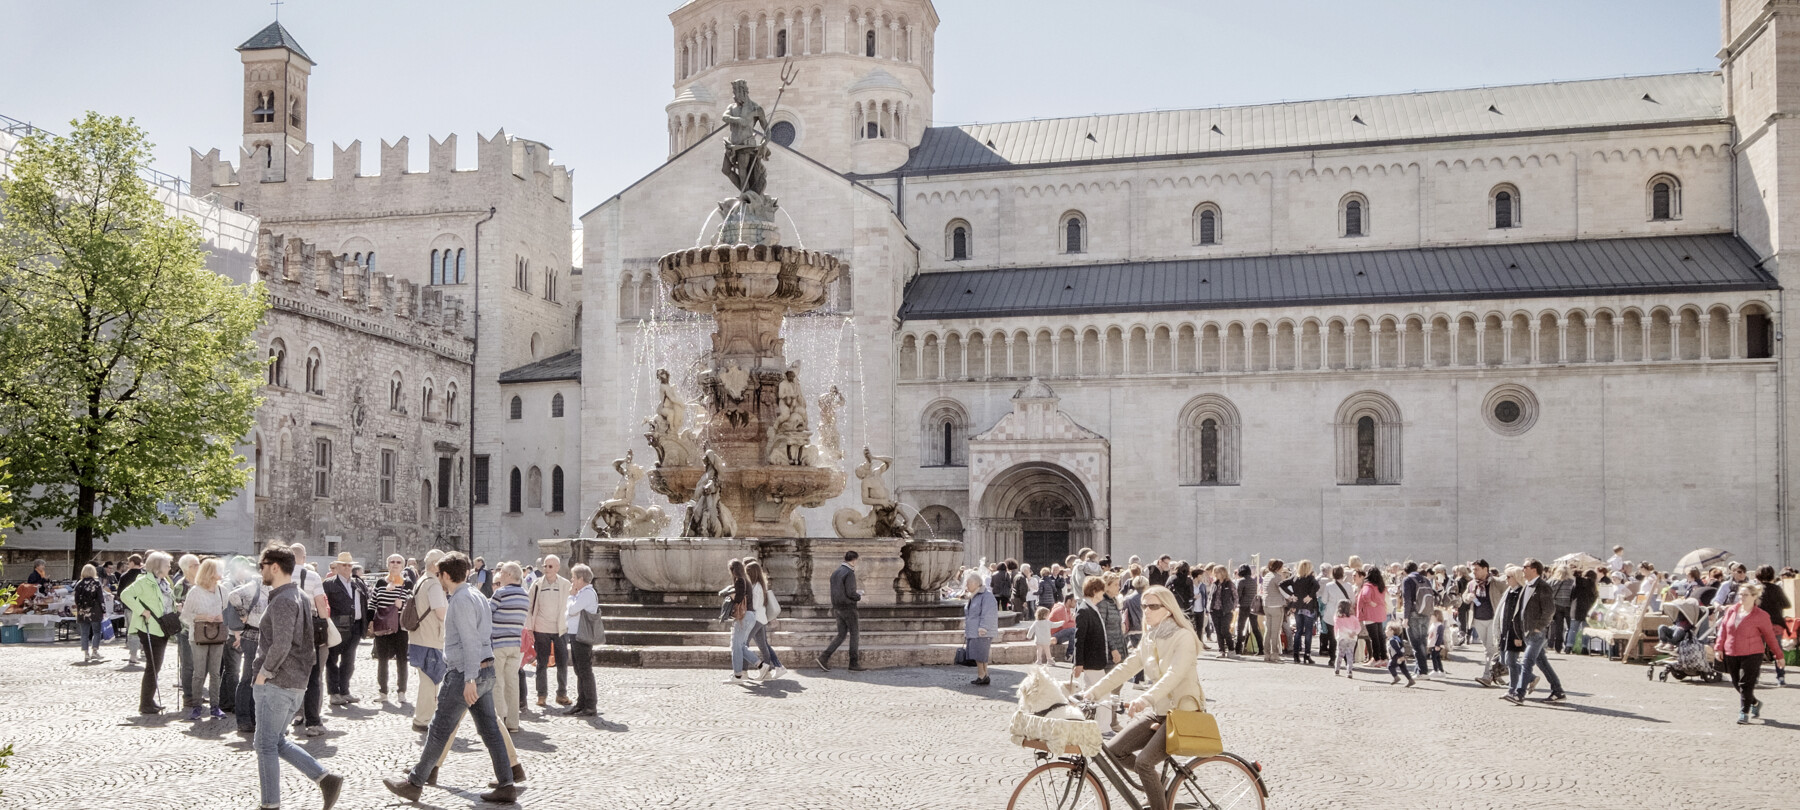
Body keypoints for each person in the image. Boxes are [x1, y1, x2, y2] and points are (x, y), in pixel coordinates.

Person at [382, 552, 518, 804]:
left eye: (440, 575)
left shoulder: (461, 600)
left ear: (445, 575)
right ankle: (507, 784)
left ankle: (414, 783)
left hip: (466, 673)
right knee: (490, 729)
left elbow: (469, 640)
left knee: (439, 728)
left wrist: (469, 678)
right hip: (484, 669)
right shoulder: (477, 595)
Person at [1075, 586, 1203, 810]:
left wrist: (1145, 699)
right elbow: (1125, 669)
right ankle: (1157, 788)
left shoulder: (1183, 637)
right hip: (1161, 711)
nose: (1147, 611)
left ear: (1169, 609)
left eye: (1153, 606)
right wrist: (1091, 692)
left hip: (1183, 711)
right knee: (1114, 751)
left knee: (1144, 763)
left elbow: (1175, 674)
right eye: (1144, 606)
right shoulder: (1150, 638)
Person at [250, 544, 344, 810]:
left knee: (266, 745)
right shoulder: (300, 595)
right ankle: (326, 778)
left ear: (275, 567)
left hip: (277, 683)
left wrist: (263, 675)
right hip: (293, 683)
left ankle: (270, 804)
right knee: (274, 741)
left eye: (262, 566)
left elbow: (281, 644)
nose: (261, 571)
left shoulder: (283, 600)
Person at [1715, 583, 1784, 724]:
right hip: (1731, 651)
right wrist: (1718, 648)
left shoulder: (1762, 615)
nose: (1742, 597)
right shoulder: (1731, 611)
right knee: (1736, 683)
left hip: (1753, 653)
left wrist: (1779, 655)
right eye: (1740, 594)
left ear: (1754, 597)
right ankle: (1755, 703)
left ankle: (1744, 712)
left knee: (1746, 683)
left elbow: (1770, 637)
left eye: (1745, 595)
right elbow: (1723, 630)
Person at [1502, 560, 1566, 705]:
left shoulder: (1543, 587)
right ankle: (1558, 691)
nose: (1522, 569)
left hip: (1536, 632)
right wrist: (1519, 632)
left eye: (1525, 567)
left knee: (1527, 661)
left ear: (1534, 569)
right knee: (1542, 663)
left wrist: (1539, 626)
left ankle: (1519, 694)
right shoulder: (1526, 586)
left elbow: (1549, 610)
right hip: (1526, 632)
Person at [122, 551, 176, 715]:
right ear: (158, 567)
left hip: (162, 628)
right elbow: (125, 595)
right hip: (150, 628)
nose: (170, 567)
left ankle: (149, 700)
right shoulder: (144, 581)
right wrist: (141, 610)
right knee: (153, 666)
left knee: (155, 666)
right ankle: (145, 703)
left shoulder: (165, 581)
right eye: (167, 565)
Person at [287, 544, 330, 736]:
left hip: (285, 627)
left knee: (287, 675)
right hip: (308, 628)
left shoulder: (279, 574)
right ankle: (313, 721)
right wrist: (324, 626)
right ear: (303, 558)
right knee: (313, 676)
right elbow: (321, 603)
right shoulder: (312, 576)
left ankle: (287, 718)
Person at [180, 558, 229, 720]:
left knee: (215, 673)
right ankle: (196, 706)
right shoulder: (195, 592)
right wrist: (202, 617)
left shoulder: (223, 591)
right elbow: (185, 616)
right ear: (210, 573)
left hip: (217, 635)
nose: (221, 572)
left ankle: (215, 706)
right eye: (218, 570)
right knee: (199, 672)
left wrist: (220, 617)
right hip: (199, 636)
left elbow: (227, 611)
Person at [409, 549, 450, 730]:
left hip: (420, 637)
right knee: (430, 682)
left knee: (428, 680)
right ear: (435, 566)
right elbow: (441, 613)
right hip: (430, 638)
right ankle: (423, 719)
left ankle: (424, 717)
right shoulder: (433, 584)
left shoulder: (421, 581)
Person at [227, 565, 268, 737]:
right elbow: (233, 595)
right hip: (252, 636)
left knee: (261, 679)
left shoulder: (274, 587)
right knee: (247, 678)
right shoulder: (255, 585)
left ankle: (256, 717)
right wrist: (243, 614)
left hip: (266, 637)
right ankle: (243, 719)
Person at [526, 554, 572, 708]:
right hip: (541, 628)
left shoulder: (565, 584)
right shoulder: (537, 584)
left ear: (557, 568)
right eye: (545, 566)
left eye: (550, 566)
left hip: (560, 629)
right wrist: (530, 628)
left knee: (562, 663)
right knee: (541, 663)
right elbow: (529, 606)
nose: (546, 569)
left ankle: (562, 694)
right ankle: (541, 695)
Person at [489, 562, 529, 730]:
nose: (501, 576)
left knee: (498, 682)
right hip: (515, 643)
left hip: (499, 643)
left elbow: (487, 612)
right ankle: (513, 722)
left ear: (510, 575)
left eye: (503, 573)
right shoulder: (525, 595)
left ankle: (499, 721)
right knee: (512, 683)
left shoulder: (501, 593)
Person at [323, 553, 366, 706]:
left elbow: (364, 604)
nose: (347, 568)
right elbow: (324, 606)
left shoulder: (358, 584)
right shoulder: (328, 584)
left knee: (349, 661)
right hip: (336, 627)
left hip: (355, 627)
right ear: (337, 567)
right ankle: (334, 692)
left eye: (349, 565)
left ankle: (345, 690)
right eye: (344, 565)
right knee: (332, 660)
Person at [1070, 577, 1114, 725]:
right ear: (1095, 591)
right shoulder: (1084, 610)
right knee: (1103, 694)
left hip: (1095, 660)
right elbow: (1079, 639)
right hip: (1092, 661)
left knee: (1091, 694)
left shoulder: (1090, 608)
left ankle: (1091, 723)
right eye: (1102, 591)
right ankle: (1103, 726)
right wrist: (1079, 663)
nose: (1103, 594)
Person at [371, 554, 413, 703]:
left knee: (402, 660)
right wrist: (370, 622)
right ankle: (383, 692)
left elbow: (412, 604)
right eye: (392, 562)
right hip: (382, 626)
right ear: (387, 564)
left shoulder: (407, 583)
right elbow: (372, 603)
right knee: (382, 659)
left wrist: (403, 605)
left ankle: (401, 692)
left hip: (400, 627)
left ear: (402, 566)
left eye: (398, 562)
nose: (395, 564)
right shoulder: (380, 582)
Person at [818, 550, 864, 671]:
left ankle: (824, 657)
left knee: (841, 635)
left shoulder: (836, 572)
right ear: (854, 560)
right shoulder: (849, 573)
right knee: (854, 634)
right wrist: (858, 596)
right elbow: (850, 593)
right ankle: (853, 663)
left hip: (837, 608)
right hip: (848, 608)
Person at [565, 564, 600, 716]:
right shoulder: (583, 593)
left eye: (573, 577)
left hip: (582, 634)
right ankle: (582, 702)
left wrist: (571, 596)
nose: (572, 581)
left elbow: (572, 610)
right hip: (576, 633)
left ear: (581, 579)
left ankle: (590, 704)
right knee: (579, 669)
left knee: (584, 670)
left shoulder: (586, 593)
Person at [744, 559, 788, 681]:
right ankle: (769, 672)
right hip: (760, 618)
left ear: (752, 573)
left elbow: (755, 605)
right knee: (763, 645)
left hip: (756, 619)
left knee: (744, 644)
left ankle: (745, 671)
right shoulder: (759, 585)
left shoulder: (756, 587)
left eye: (747, 572)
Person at [725, 558, 761, 684]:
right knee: (740, 646)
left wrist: (729, 598)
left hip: (743, 617)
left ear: (733, 570)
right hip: (750, 615)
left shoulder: (740, 581)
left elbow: (739, 598)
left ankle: (738, 675)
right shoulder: (747, 581)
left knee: (736, 646)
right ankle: (759, 664)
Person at [963, 571, 999, 686]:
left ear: (976, 583)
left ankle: (981, 675)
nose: (967, 585)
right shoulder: (975, 596)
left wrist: (984, 627)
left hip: (981, 631)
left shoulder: (986, 596)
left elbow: (989, 613)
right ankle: (984, 675)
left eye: (968, 583)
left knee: (979, 654)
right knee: (980, 654)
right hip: (975, 630)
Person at [1401, 561, 1436, 677]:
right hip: (1426, 613)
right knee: (1422, 641)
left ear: (1405, 570)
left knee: (1416, 643)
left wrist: (1405, 617)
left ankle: (1422, 671)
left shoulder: (1407, 580)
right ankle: (1420, 669)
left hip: (1413, 614)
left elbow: (1407, 600)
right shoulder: (1425, 579)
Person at [73, 564, 108, 663]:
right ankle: (95, 651)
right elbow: (100, 598)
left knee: (84, 633)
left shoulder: (79, 584)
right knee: (96, 632)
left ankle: (86, 653)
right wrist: (104, 610)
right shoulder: (96, 583)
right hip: (95, 611)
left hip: (83, 611)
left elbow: (76, 599)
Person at [1317, 566, 1350, 667]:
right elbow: (1352, 599)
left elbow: (1324, 600)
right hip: (1344, 614)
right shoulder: (1348, 585)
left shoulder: (1329, 586)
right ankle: (1346, 658)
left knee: (1332, 637)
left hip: (1331, 614)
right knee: (1344, 637)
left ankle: (1332, 658)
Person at [1259, 560, 1288, 664]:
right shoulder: (1277, 577)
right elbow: (1283, 590)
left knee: (1268, 631)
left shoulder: (1266, 576)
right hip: (1276, 605)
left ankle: (1266, 654)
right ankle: (1274, 654)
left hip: (1266, 605)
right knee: (1275, 631)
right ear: (1278, 567)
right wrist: (1291, 597)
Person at [1099, 573, 1129, 671]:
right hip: (1110, 651)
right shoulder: (1103, 603)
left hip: (1119, 646)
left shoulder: (1113, 601)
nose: (1119, 587)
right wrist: (1113, 649)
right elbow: (1102, 628)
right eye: (1116, 584)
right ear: (1107, 586)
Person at [1358, 567, 1388, 665]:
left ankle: (1375, 658)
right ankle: (1384, 657)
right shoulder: (1381, 586)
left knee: (1374, 637)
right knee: (1380, 637)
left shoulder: (1368, 585)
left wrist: (1370, 602)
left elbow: (1365, 595)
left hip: (1370, 613)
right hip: (1380, 612)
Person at [1207, 564, 1237, 659]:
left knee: (1225, 630)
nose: (1215, 574)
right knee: (1218, 631)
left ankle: (1231, 649)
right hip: (1214, 610)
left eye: (1217, 572)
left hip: (1226, 611)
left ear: (1223, 573)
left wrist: (1233, 607)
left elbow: (1235, 596)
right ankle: (1221, 650)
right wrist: (1209, 607)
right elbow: (1211, 596)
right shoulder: (1214, 584)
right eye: (1215, 572)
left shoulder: (1229, 584)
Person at [1234, 565, 1262, 657]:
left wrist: (1237, 603)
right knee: (1255, 628)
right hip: (1253, 606)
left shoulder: (1241, 581)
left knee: (1240, 628)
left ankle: (1238, 649)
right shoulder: (1253, 581)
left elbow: (1238, 595)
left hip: (1244, 606)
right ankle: (1261, 648)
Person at [1331, 601, 1361, 677]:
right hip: (1353, 638)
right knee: (1350, 655)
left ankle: (1337, 669)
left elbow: (1340, 627)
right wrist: (1354, 632)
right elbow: (1358, 627)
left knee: (1340, 654)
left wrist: (1348, 632)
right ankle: (1349, 671)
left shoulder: (1337, 617)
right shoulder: (1353, 618)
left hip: (1342, 637)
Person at [1385, 622, 1415, 686]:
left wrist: (1400, 656)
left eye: (1386, 630)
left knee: (1390, 666)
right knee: (1403, 669)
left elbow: (1396, 649)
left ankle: (1396, 677)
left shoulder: (1392, 640)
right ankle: (1410, 680)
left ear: (1391, 631)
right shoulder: (1397, 639)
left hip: (1396, 656)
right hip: (1400, 655)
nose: (1385, 631)